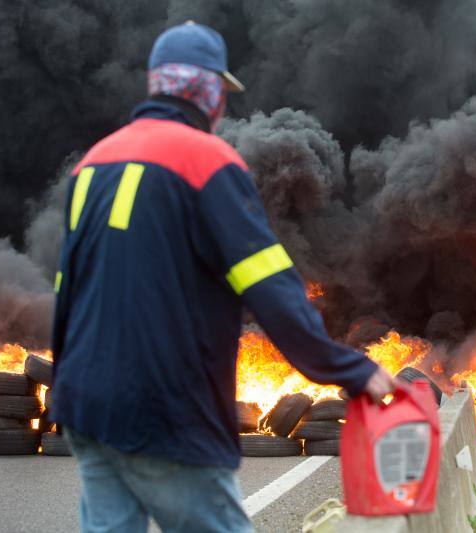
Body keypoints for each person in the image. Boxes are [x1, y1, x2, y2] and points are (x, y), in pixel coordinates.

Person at [50, 21, 396, 533]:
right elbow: (271, 287)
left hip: (86, 402)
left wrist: (65, 386)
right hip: (163, 407)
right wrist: (349, 369)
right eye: (221, 94)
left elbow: (67, 292)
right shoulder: (207, 162)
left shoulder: (93, 165)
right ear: (207, 90)